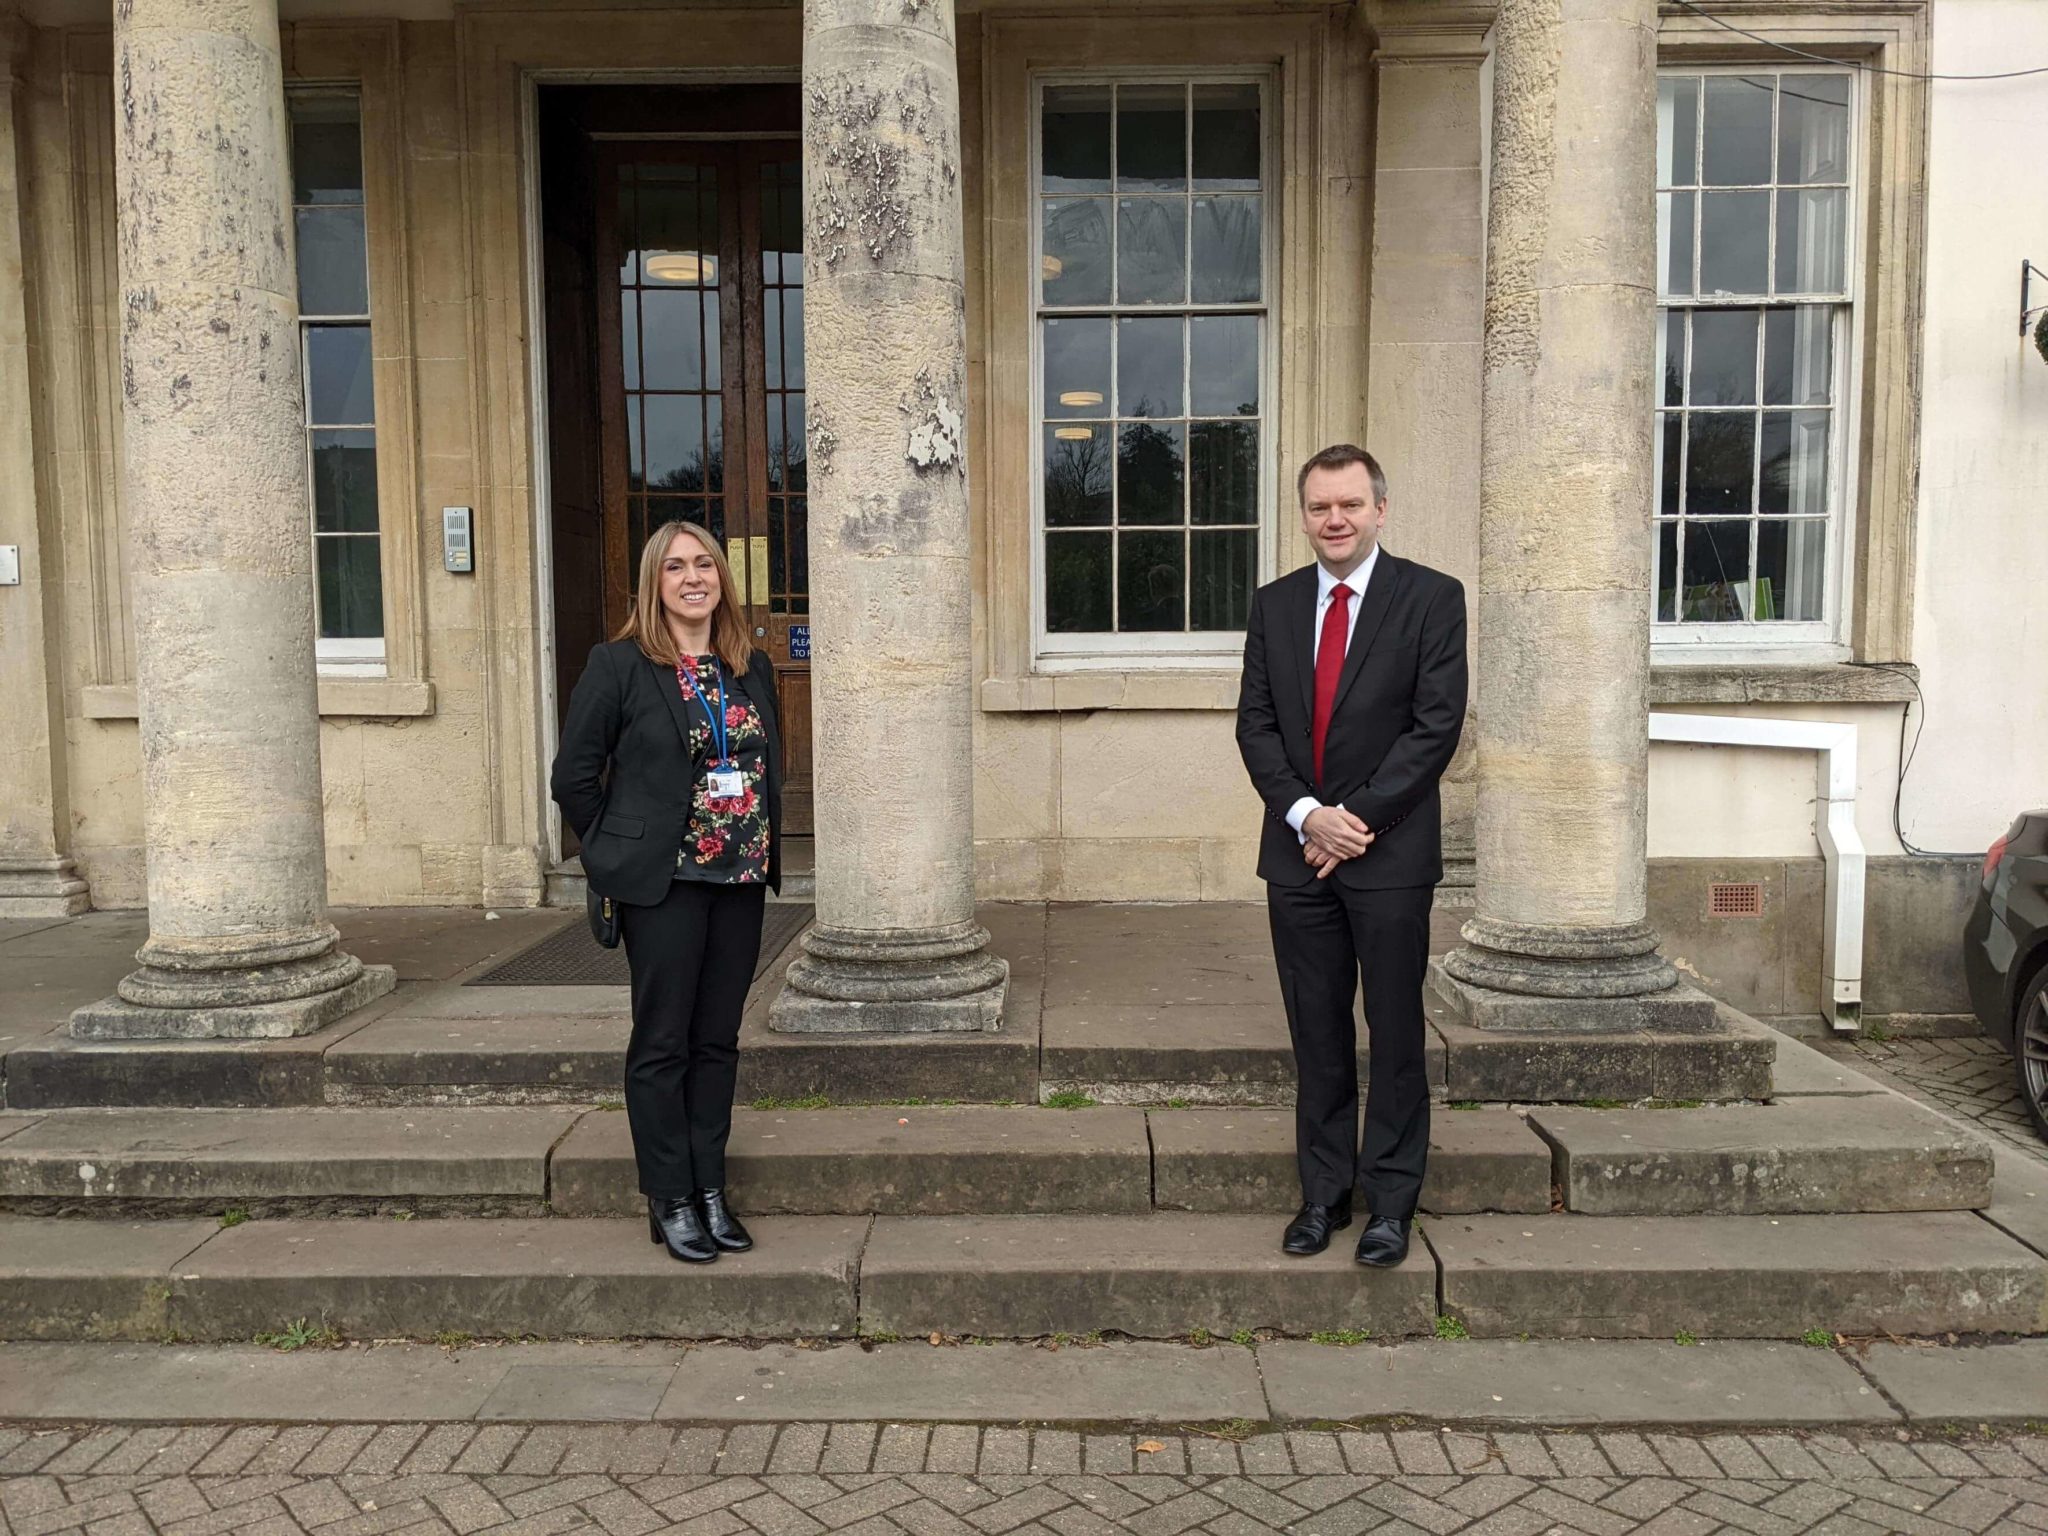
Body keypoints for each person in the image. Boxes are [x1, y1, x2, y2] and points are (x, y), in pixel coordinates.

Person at [1235, 445, 1468, 1267]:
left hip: (1389, 856)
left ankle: (1391, 1203)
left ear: (1380, 509)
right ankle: (1325, 1194)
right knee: (1318, 1031)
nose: (1334, 520)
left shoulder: (1433, 600)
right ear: (1303, 515)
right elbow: (1255, 726)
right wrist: (1306, 815)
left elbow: (1435, 727)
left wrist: (1352, 821)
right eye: (1319, 507)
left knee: (1396, 1030)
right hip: (1297, 857)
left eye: (1350, 506)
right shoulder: (1275, 605)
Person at [550, 521, 784, 1264]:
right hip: (665, 886)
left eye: (705, 565)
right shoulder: (619, 665)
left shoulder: (751, 667)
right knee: (663, 1042)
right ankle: (669, 1196)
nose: (694, 578)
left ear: (722, 578)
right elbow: (573, 778)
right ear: (655, 582)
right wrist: (617, 855)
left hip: (740, 879)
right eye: (677, 566)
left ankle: (709, 1189)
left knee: (716, 1040)